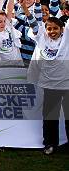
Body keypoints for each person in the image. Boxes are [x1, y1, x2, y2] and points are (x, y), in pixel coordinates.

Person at [27, 16, 69, 155]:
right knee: (50, 116)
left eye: (55, 28)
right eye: (49, 28)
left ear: (62, 29)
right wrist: (27, 10)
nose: (52, 31)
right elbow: (33, 23)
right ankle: (50, 144)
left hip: (67, 84)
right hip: (50, 85)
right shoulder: (42, 39)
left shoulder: (67, 37)